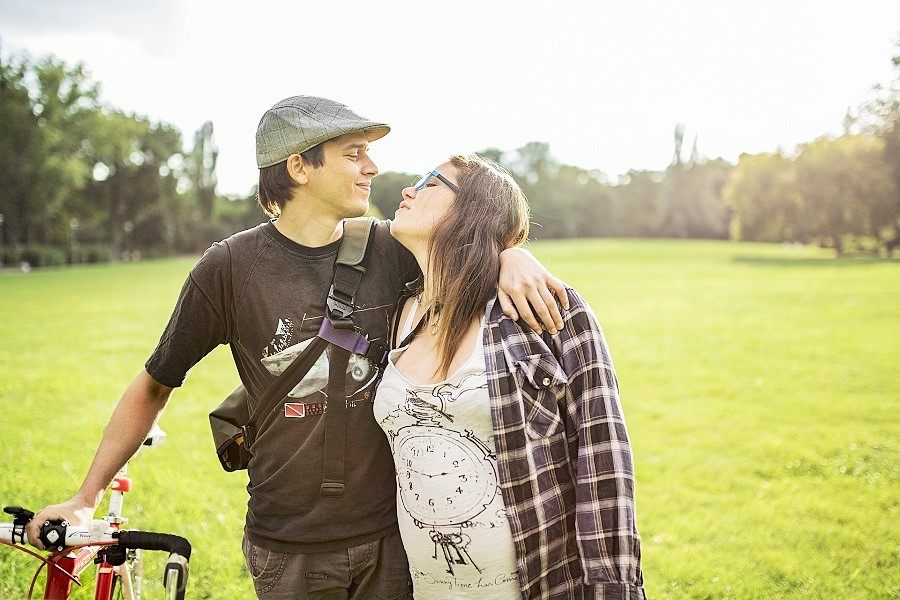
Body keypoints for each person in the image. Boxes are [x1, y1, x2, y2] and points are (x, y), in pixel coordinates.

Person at [26, 97, 568, 599]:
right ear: (298, 167)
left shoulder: (390, 248)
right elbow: (154, 385)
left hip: (395, 537)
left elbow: (465, 242)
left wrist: (510, 253)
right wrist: (86, 497)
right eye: (353, 154)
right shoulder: (228, 269)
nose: (371, 168)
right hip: (287, 545)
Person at [375, 154, 646, 599]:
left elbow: (603, 458)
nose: (409, 190)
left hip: (540, 584)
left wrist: (611, 590)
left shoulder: (545, 309)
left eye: (431, 182)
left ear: (473, 211)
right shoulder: (397, 314)